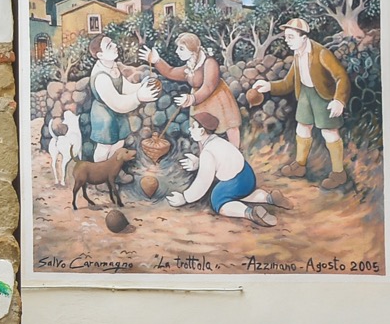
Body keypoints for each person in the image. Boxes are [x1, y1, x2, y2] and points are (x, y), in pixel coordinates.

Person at [253, 18, 352, 189]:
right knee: (302, 128)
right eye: (286, 37)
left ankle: (338, 173)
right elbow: (288, 83)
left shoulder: (321, 53)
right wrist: (268, 86)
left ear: (303, 38)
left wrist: (338, 100)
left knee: (329, 132)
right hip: (306, 94)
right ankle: (299, 166)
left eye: (290, 37)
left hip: (324, 95)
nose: (286, 41)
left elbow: (341, 77)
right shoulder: (297, 55)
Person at [165, 112, 285, 226]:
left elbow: (203, 182)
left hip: (235, 182)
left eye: (194, 127)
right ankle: (269, 198)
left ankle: (250, 213)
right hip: (248, 176)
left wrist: (185, 197)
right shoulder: (219, 142)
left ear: (202, 131)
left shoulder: (207, 152)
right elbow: (220, 161)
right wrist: (198, 164)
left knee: (218, 200)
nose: (190, 129)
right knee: (242, 194)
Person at [148, 31, 241, 146]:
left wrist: (191, 99)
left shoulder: (209, 62)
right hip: (200, 102)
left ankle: (236, 155)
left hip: (218, 99)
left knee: (229, 126)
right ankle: (204, 158)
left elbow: (209, 86)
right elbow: (171, 72)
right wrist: (157, 60)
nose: (177, 52)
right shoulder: (190, 66)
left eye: (181, 49)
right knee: (200, 131)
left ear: (192, 50)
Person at [85, 33, 159, 170]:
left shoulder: (112, 66)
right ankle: (99, 173)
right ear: (100, 55)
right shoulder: (101, 77)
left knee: (118, 143)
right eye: (109, 46)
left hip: (117, 114)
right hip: (104, 116)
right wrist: (139, 97)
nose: (114, 46)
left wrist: (141, 86)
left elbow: (124, 87)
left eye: (112, 43)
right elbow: (117, 103)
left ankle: (113, 171)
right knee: (104, 146)